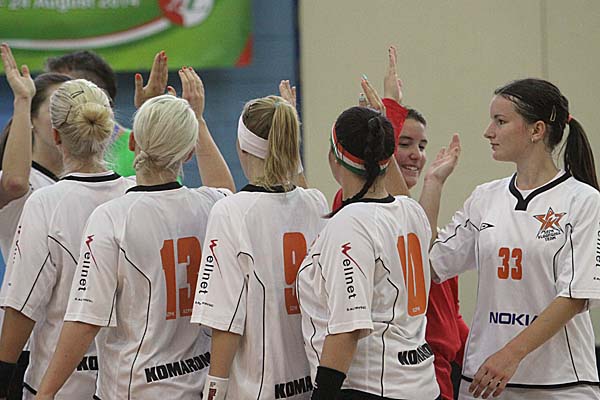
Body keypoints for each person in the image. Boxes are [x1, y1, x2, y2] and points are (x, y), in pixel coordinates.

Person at [33, 67, 235, 400]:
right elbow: (226, 190)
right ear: (188, 152)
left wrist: (45, 393)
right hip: (195, 384)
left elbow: (85, 321)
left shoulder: (112, 217)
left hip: (136, 388)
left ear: (130, 141)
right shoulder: (212, 206)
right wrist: (197, 119)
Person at [427, 78, 600, 399]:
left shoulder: (583, 200)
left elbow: (575, 296)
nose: (488, 131)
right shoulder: (484, 197)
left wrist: (511, 354)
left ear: (537, 130)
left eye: (500, 121)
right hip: (482, 381)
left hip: (560, 385)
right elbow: (429, 266)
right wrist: (433, 185)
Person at [333, 48, 468, 400]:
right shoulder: (356, 214)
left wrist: (481, 356)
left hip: (434, 378)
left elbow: (450, 316)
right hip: (389, 381)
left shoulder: (416, 220)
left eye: (422, 145)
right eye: (403, 143)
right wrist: (385, 112)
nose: (415, 154)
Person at [296, 77, 443, 400]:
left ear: (334, 157)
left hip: (371, 388)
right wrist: (381, 122)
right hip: (421, 385)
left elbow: (348, 329)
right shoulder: (411, 211)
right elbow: (394, 188)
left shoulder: (350, 224)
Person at [191, 81, 328, 400]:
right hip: (312, 384)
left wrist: (213, 392)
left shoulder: (232, 211)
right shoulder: (316, 202)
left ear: (242, 146)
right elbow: (300, 188)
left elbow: (225, 321)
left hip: (258, 389)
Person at [0, 78, 135, 399]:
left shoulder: (47, 202)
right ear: (110, 132)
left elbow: (22, 306)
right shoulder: (134, 193)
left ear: (57, 135)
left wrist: (3, 378)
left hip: (60, 384)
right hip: (122, 378)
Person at [0, 43, 71, 400]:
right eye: (57, 107)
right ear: (31, 120)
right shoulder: (22, 183)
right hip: (22, 345)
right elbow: (14, 183)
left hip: (76, 342)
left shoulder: (86, 185)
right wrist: (23, 99)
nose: (68, 116)